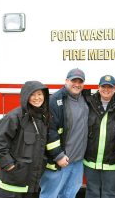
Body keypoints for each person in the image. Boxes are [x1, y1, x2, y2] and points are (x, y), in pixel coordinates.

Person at [0, 81, 50, 198]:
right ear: (26, 96)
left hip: (30, 184)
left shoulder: (43, 118)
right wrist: (10, 166)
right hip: (11, 185)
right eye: (32, 95)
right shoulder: (14, 117)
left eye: (39, 94)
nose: (36, 98)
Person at [39, 68, 89, 198]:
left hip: (77, 161)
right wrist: (58, 155)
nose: (77, 84)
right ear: (66, 81)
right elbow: (49, 130)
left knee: (70, 194)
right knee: (50, 194)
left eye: (80, 82)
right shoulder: (55, 100)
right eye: (73, 81)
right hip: (60, 161)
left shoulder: (85, 98)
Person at [83, 75, 115, 198]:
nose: (106, 89)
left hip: (112, 162)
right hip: (91, 161)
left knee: (110, 194)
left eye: (109, 87)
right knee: (91, 193)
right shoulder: (88, 103)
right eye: (103, 86)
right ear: (98, 88)